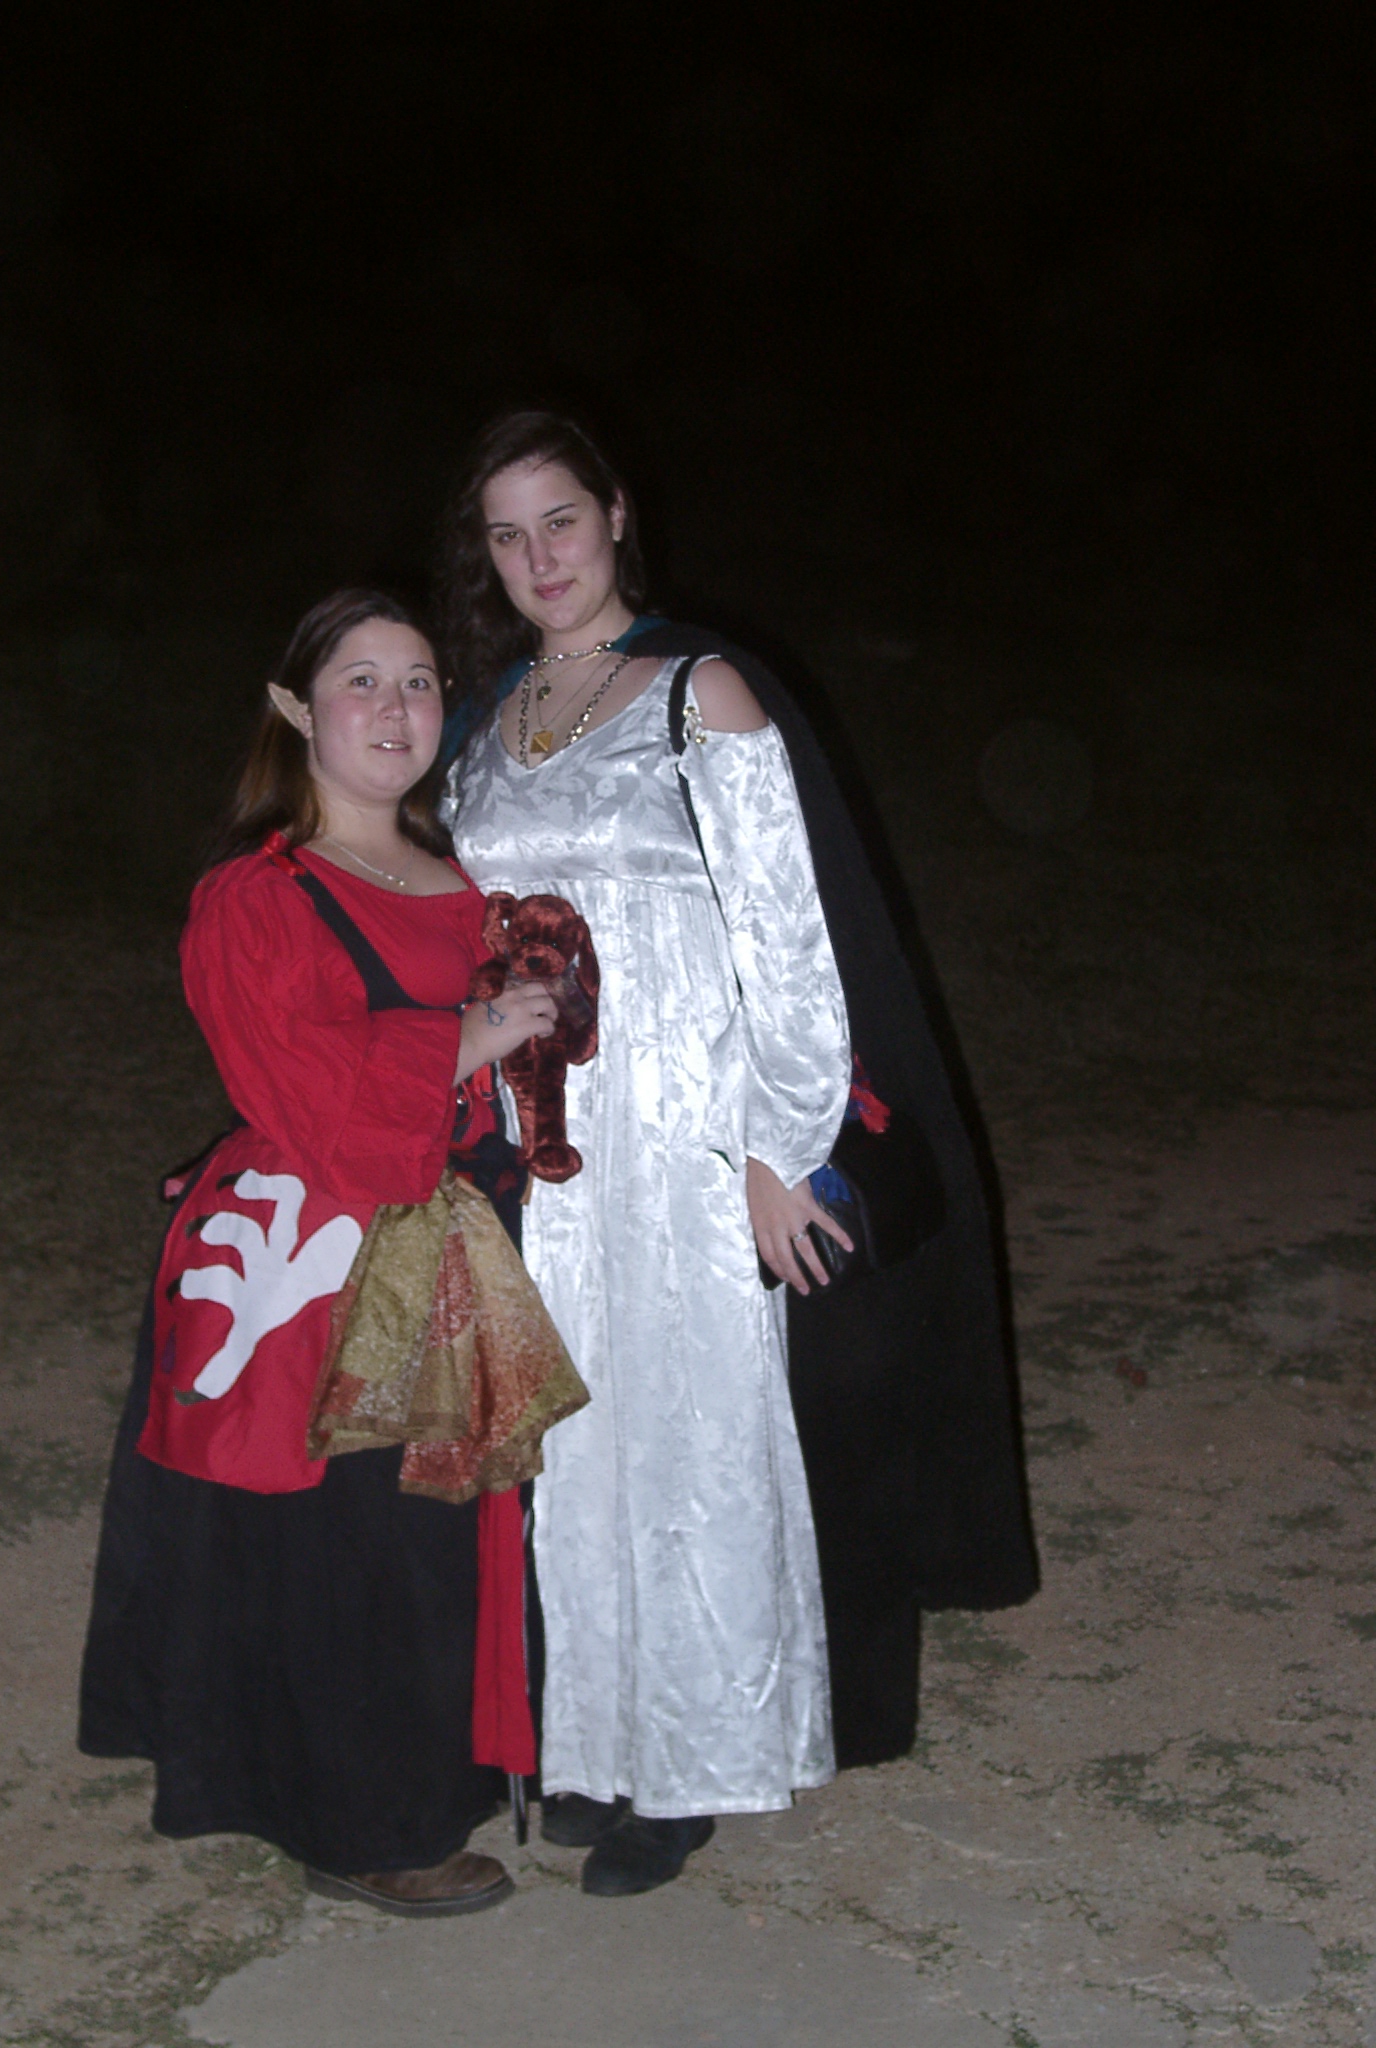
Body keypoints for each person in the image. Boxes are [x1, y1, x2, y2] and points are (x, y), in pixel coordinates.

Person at [437, 411, 1038, 1898]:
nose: (539, 558)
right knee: (572, 1448)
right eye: (508, 535)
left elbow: (790, 937)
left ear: (616, 515)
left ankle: (695, 1760)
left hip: (692, 1142)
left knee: (693, 1449)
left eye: (560, 521)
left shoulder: (699, 694)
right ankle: (591, 1740)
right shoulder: (492, 722)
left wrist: (782, 1152)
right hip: (547, 1150)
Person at [78, 589, 564, 1917]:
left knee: (459, 1527)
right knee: (365, 1547)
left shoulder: (473, 876)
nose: (397, 709)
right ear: (296, 709)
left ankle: (468, 1766)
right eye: (362, 681)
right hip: (328, 1264)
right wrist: (464, 1040)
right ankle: (367, 1821)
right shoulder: (260, 894)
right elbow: (297, 1084)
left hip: (473, 1233)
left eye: (419, 682)